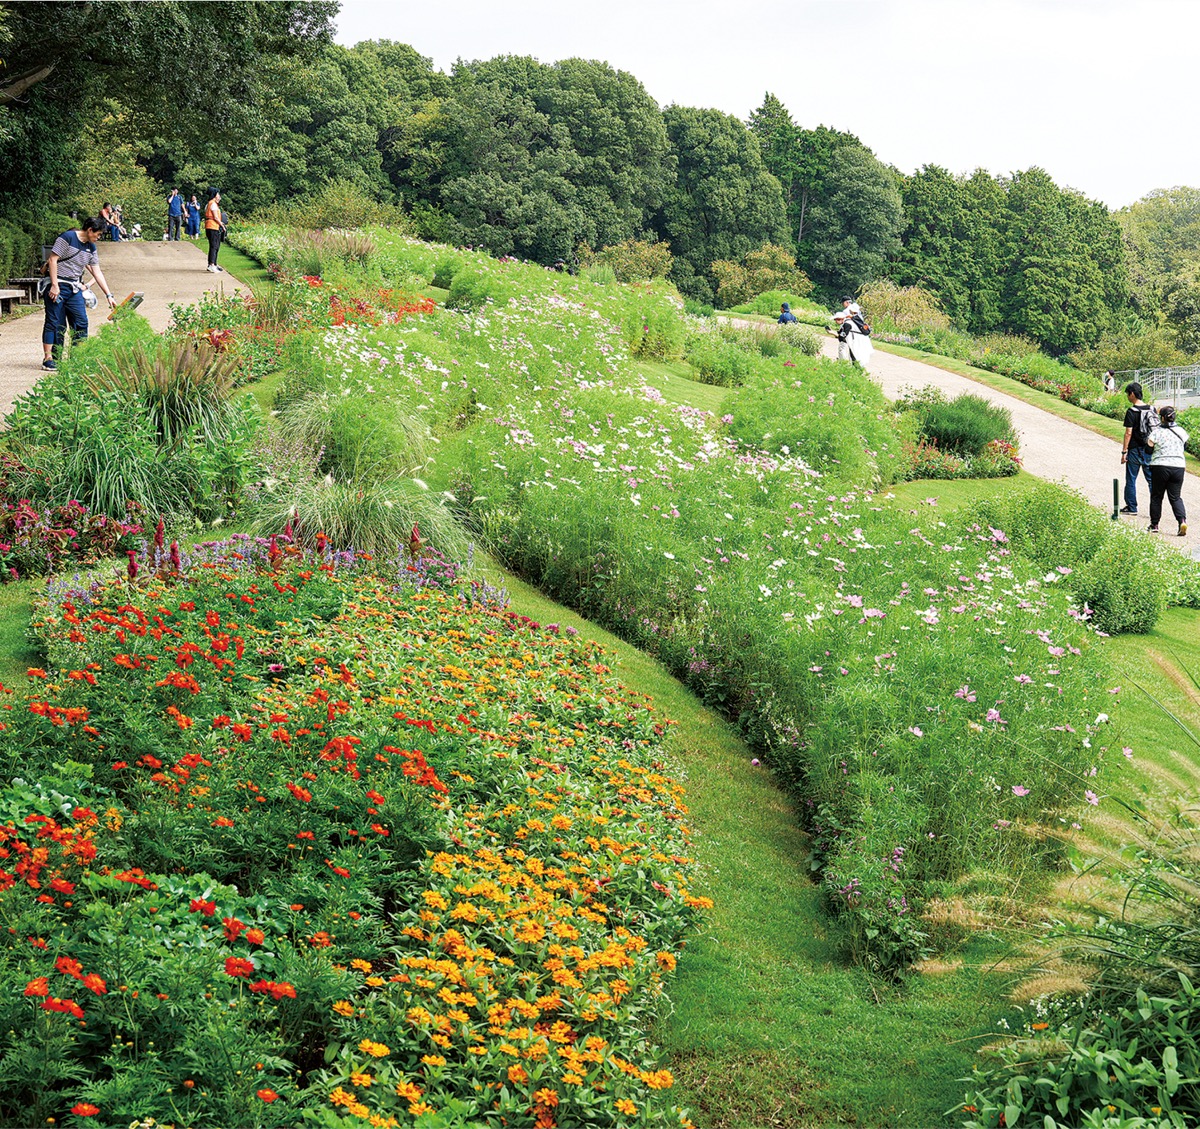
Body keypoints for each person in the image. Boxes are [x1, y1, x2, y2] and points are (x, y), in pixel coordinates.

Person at [39, 217, 117, 370]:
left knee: (81, 321)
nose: (99, 238)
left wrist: (109, 295)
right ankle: (50, 358)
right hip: (58, 284)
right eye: (98, 234)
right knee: (55, 322)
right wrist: (55, 285)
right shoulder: (67, 238)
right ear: (90, 230)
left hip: (74, 288)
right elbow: (53, 260)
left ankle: (78, 356)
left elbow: (97, 272)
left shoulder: (91, 248)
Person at [1146, 405, 1188, 536]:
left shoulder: (1157, 432)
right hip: (1178, 467)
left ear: (1162, 418)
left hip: (1160, 466)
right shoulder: (1181, 431)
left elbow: (1148, 448)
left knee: (1157, 496)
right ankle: (1182, 520)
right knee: (1175, 497)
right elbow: (1184, 446)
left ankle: (1154, 524)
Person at [1120, 382, 1155, 515]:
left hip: (1135, 449)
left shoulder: (1131, 411)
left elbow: (1128, 433)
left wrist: (1124, 451)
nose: (1128, 397)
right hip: (1149, 448)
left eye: (1128, 394)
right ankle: (1155, 508)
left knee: (1131, 478)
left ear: (1132, 394)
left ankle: (1132, 507)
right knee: (1151, 480)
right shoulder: (1152, 409)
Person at [203, 187, 225, 273]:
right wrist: (221, 224)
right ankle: (212, 264)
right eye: (218, 194)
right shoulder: (213, 204)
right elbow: (215, 217)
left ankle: (213, 264)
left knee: (215, 246)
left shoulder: (210, 203)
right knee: (214, 246)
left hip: (211, 226)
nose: (219, 195)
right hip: (213, 226)